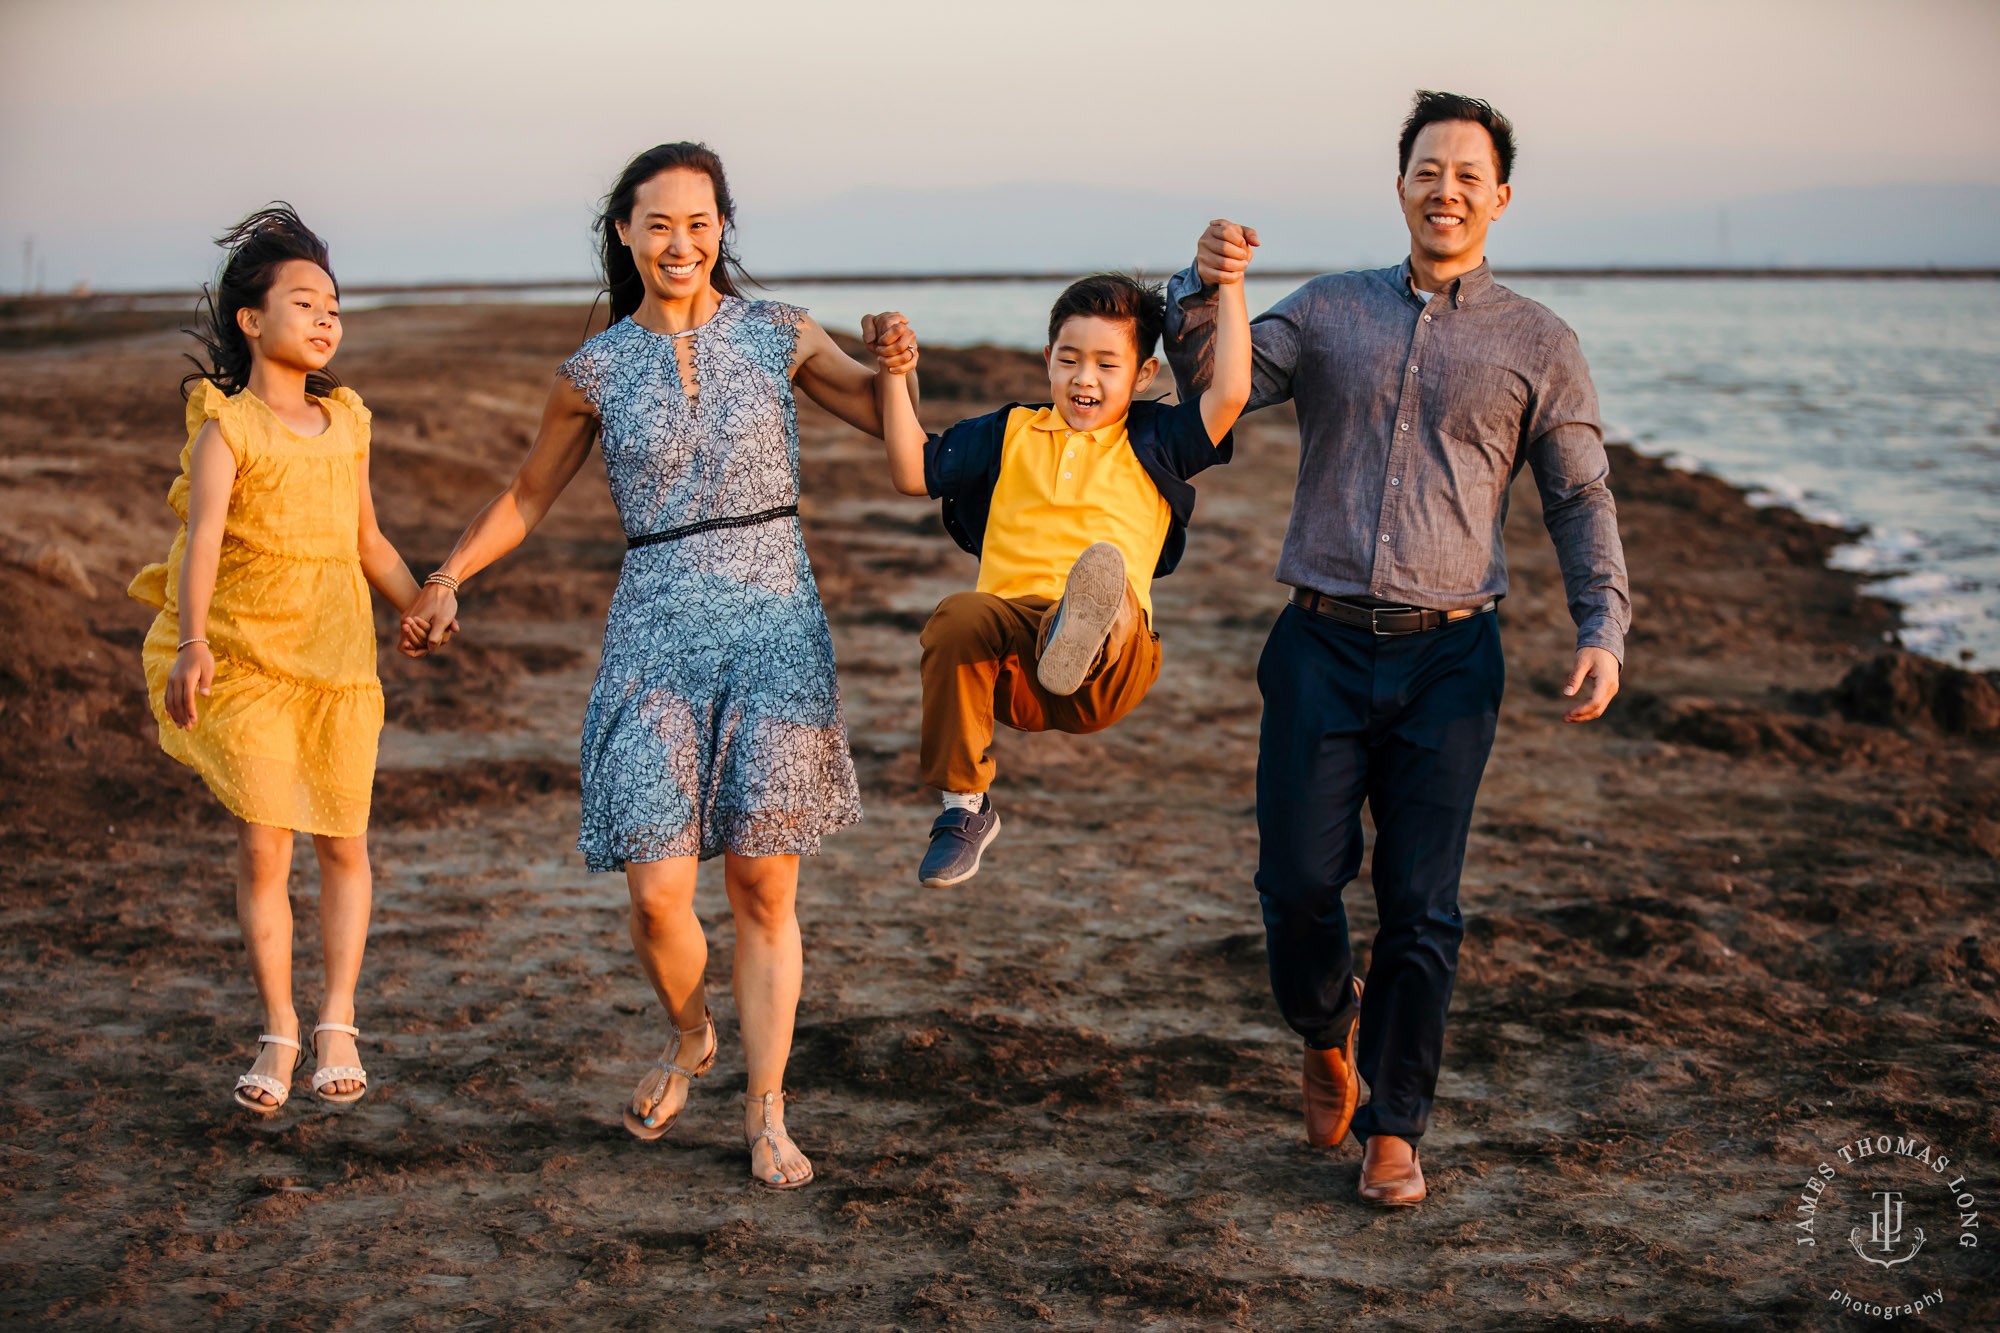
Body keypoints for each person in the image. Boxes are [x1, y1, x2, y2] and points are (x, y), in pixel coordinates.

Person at [398, 142, 917, 1190]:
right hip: (651, 627)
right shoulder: (593, 370)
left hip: (773, 622)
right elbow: (527, 496)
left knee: (764, 888)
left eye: (699, 221)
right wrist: (446, 574)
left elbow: (886, 424)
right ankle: (690, 1035)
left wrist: (900, 369)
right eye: (657, 223)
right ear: (625, 233)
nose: (680, 242)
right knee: (654, 891)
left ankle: (767, 1112)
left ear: (722, 227)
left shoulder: (778, 332)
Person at [1163, 91, 1631, 1206]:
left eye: (1467, 174)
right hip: (1317, 643)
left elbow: (1578, 496)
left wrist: (1600, 624)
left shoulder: (1538, 343)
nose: (1446, 189)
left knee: (1422, 901)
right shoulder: (1326, 312)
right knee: (1294, 882)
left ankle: (1393, 1124)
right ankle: (1328, 1034)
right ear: (1400, 186)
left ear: (1498, 198)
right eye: (1428, 170)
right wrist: (1199, 285)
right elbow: (1212, 392)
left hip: (1450, 661)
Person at [129, 206, 429, 1115]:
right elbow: (202, 544)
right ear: (252, 320)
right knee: (264, 843)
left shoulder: (347, 422)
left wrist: (420, 603)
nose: (327, 316)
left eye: (334, 302)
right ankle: (280, 1027)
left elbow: (368, 539)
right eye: (305, 301)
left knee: (343, 841)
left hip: (338, 662)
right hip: (247, 658)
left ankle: (337, 1017)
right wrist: (188, 644)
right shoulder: (229, 428)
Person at [874, 270, 1251, 886]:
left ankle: (1080, 623)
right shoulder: (1010, 432)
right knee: (958, 615)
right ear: (1048, 359)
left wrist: (1229, 284)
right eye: (1070, 359)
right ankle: (963, 808)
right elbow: (914, 470)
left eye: (1107, 364)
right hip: (1014, 665)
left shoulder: (1156, 438)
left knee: (1109, 587)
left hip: (1113, 664)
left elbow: (1231, 391)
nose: (1085, 378)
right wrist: (893, 375)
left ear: (1143, 375)